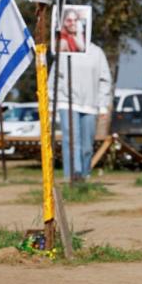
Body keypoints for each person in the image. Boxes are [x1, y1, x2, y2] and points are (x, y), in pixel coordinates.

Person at [50, 41, 112, 181]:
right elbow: (55, 77)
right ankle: (72, 176)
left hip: (90, 104)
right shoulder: (64, 50)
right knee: (71, 140)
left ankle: (84, 175)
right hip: (67, 102)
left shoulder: (97, 52)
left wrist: (103, 105)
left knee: (87, 146)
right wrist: (51, 103)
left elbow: (104, 79)